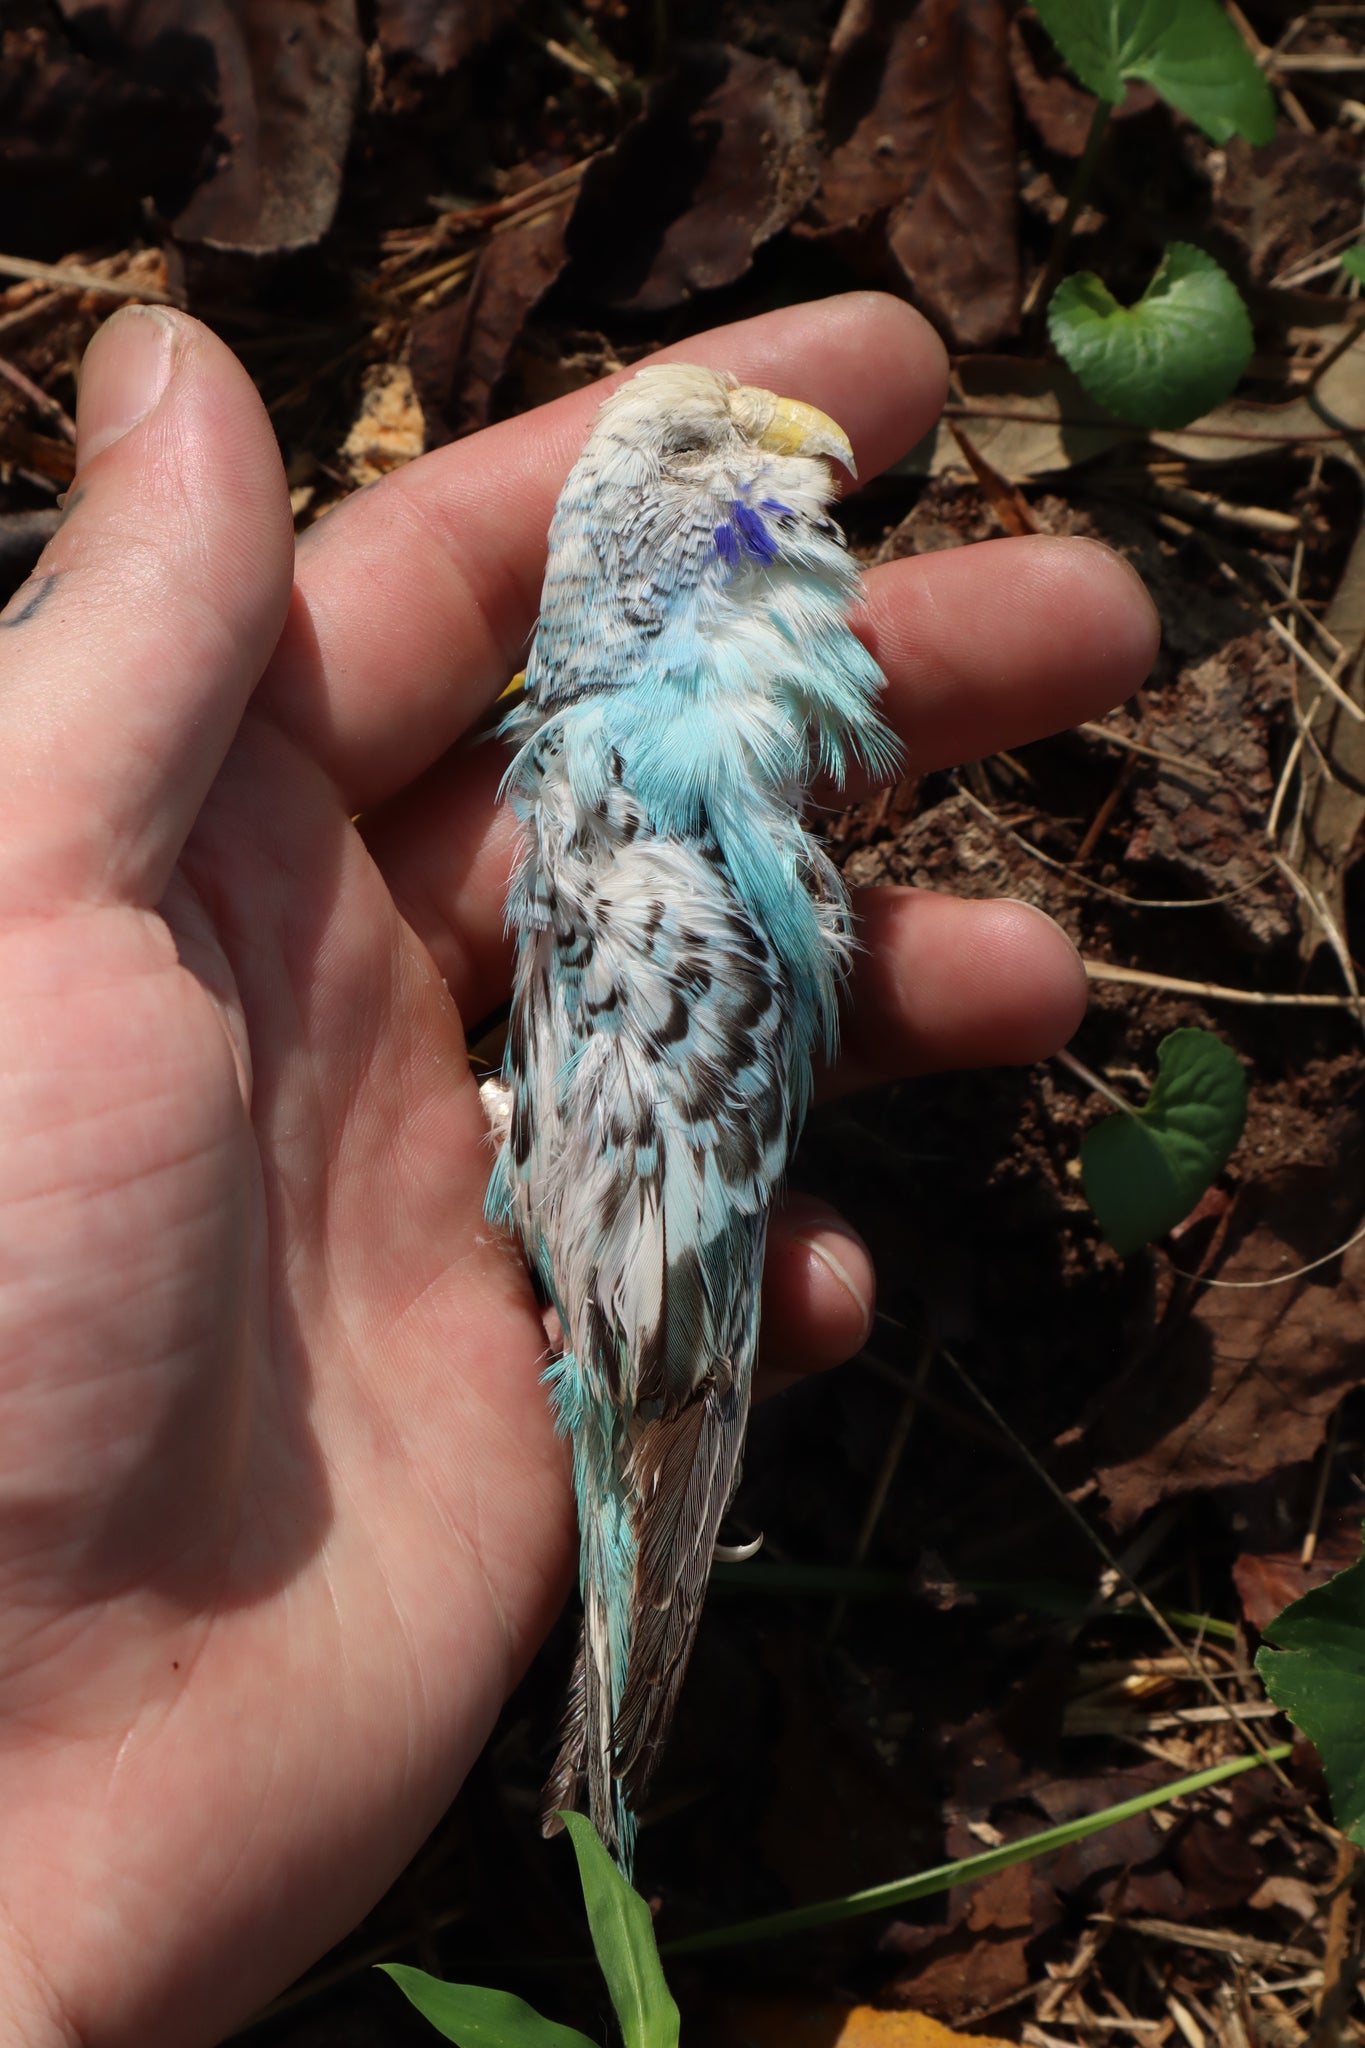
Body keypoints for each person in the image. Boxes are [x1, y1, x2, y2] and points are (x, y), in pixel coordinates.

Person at [0, 294, 1158, 2047]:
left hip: (593, 1252)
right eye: (706, 448)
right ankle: (612, 1746)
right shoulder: (639, 818)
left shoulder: (673, 800)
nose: (777, 463)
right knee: (678, 1445)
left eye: (743, 446)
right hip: (609, 1278)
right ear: (641, 519)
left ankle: (611, 1738)